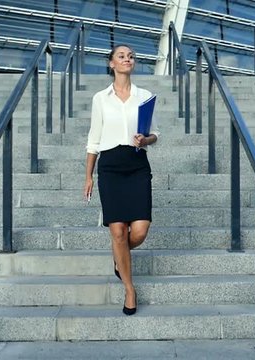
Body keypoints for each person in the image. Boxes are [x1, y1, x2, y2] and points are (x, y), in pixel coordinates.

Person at [83, 44, 160, 316]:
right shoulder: (100, 98)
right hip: (111, 167)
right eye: (121, 56)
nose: (127, 59)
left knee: (138, 231)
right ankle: (129, 289)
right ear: (111, 63)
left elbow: (155, 134)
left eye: (131, 56)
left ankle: (119, 256)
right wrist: (88, 175)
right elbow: (93, 139)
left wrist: (145, 139)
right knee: (117, 231)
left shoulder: (145, 96)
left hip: (137, 165)